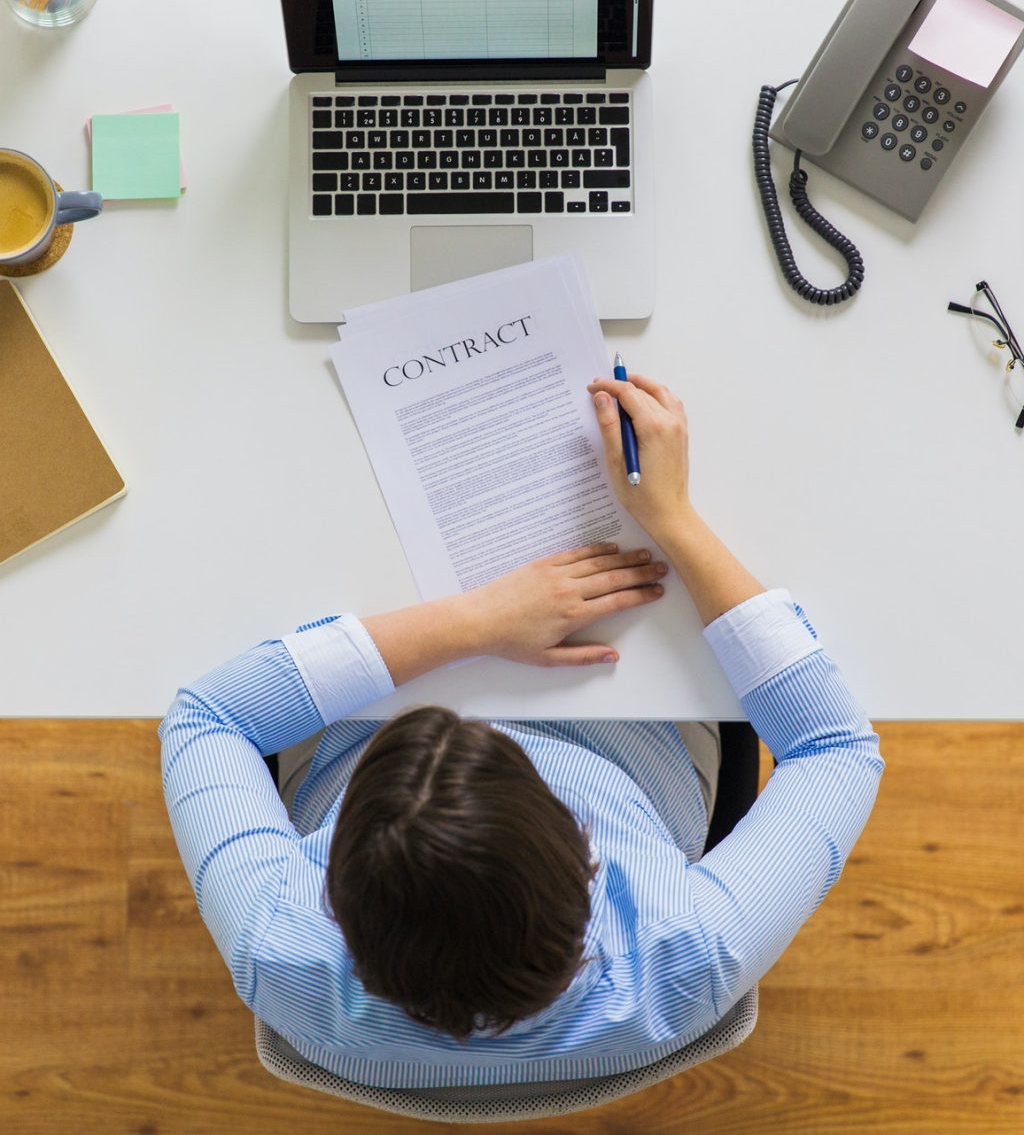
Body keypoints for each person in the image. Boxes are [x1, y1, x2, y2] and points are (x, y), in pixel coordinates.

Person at [159, 372, 883, 1090]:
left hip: (392, 678)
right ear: (583, 860)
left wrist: (473, 623)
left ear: (332, 899)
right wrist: (671, 515)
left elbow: (207, 717)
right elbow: (835, 746)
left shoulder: (279, 949)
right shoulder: (691, 950)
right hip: (632, 731)